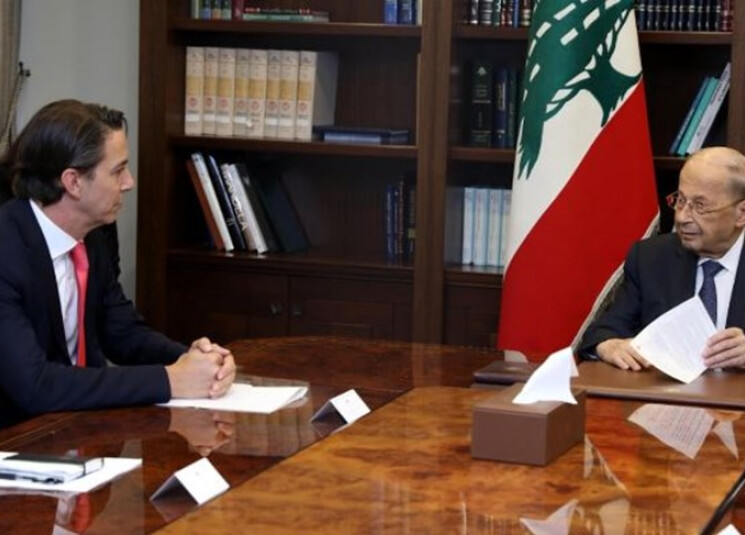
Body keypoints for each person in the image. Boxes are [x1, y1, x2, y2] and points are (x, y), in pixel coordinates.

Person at [0, 99, 236, 427]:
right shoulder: (7, 250)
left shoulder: (92, 235)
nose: (129, 182)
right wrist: (170, 380)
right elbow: (35, 385)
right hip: (16, 438)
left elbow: (122, 333)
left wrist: (193, 360)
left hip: (76, 429)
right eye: (117, 170)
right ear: (73, 182)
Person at [579, 146, 745, 371]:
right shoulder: (651, 258)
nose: (682, 217)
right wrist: (609, 345)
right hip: (666, 391)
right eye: (680, 200)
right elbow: (604, 331)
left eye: (700, 206)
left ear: (741, 213)